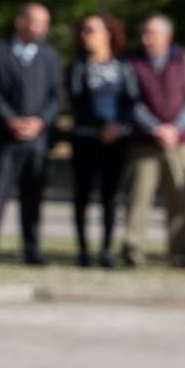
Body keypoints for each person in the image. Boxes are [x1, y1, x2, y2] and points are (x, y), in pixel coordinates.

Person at [0, 2, 59, 265]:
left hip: (37, 139)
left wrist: (40, 121)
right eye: (36, 21)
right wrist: (10, 120)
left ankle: (32, 249)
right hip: (5, 138)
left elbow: (56, 96)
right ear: (20, 21)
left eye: (44, 23)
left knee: (33, 197)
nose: (40, 28)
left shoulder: (49, 56)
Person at [123, 13, 185, 268]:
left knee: (180, 199)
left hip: (178, 143)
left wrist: (175, 128)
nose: (146, 39)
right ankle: (133, 250)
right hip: (144, 143)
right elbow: (130, 101)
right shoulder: (132, 61)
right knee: (139, 199)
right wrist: (156, 128)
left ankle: (180, 252)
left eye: (152, 34)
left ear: (167, 36)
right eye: (144, 34)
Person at [65, 13, 134, 267]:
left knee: (111, 195)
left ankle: (106, 249)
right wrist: (101, 126)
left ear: (108, 34)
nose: (85, 35)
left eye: (91, 30)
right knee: (82, 194)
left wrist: (116, 126)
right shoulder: (77, 67)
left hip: (116, 140)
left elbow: (131, 100)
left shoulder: (123, 67)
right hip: (86, 138)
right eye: (83, 30)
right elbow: (76, 100)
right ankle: (83, 250)